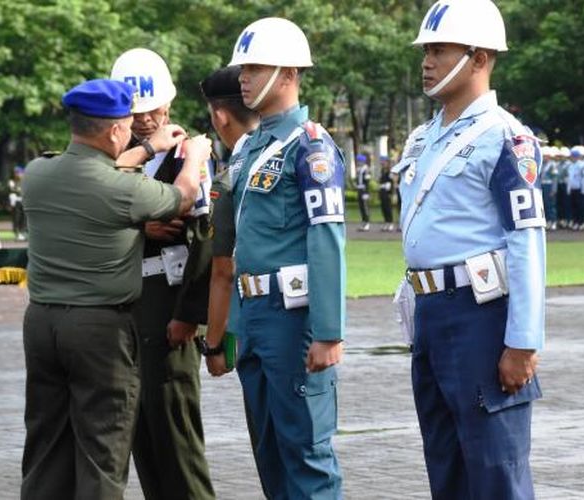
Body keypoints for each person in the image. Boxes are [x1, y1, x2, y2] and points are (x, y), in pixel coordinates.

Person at [20, 79, 207, 499]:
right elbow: (183, 196)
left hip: (41, 323)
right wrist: (193, 156)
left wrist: (145, 148)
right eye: (126, 124)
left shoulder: (37, 173)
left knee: (46, 446)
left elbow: (100, 175)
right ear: (114, 131)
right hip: (99, 331)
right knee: (103, 451)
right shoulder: (122, 190)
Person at [394, 1, 544, 497]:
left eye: (439, 49)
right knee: (447, 467)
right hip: (431, 313)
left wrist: (523, 341)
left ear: (478, 58)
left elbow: (525, 241)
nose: (427, 61)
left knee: (496, 472)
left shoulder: (505, 137)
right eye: (426, 50)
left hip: (481, 316)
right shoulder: (423, 138)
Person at [228, 17, 346, 498]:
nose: (243, 77)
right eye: (243, 68)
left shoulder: (311, 146)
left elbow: (327, 238)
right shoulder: (250, 145)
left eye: (254, 67)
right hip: (252, 317)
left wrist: (328, 332)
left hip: (292, 319)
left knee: (307, 455)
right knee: (269, 454)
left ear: (290, 74)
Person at [110, 47, 216, 500]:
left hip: (167, 297)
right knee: (140, 431)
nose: (144, 119)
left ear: (167, 104)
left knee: (173, 427)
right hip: (125, 298)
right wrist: (140, 223)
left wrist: (190, 313)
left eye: (151, 109)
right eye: (134, 111)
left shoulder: (190, 154)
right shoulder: (118, 156)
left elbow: (207, 239)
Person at [198, 65, 260, 377]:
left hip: (252, 318)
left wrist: (212, 344)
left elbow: (223, 271)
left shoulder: (230, 177)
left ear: (220, 116)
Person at [378, 155, 396, 231]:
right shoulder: (382, 171)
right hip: (382, 192)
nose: (382, 163)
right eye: (381, 161)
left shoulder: (390, 171)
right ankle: (386, 222)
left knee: (388, 208)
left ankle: (391, 223)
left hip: (388, 192)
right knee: (383, 208)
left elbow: (392, 182)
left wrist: (393, 193)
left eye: (384, 161)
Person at [355, 153, 372, 231]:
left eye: (359, 160)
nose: (358, 162)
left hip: (364, 190)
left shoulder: (366, 169)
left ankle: (367, 223)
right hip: (360, 189)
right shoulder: (359, 169)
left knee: (365, 207)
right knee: (361, 207)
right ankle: (364, 222)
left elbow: (367, 182)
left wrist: (366, 192)